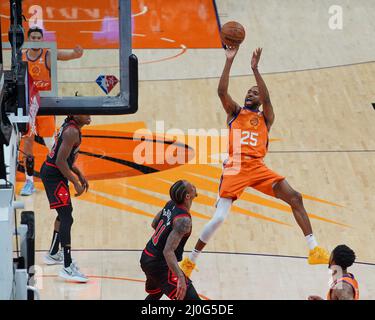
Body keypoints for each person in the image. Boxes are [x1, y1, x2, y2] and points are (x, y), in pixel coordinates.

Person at [180, 46, 330, 277]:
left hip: (258, 167)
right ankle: (190, 261)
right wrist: (229, 60)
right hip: (236, 166)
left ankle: (314, 249)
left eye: (254, 92)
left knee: (295, 197)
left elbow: (268, 97)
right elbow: (221, 91)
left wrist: (255, 69)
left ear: (261, 99)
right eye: (248, 92)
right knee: (219, 218)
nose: (250, 94)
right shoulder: (234, 113)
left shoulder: (266, 118)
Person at [20, 26, 84, 196]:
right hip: (29, 106)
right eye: (32, 37)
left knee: (52, 145)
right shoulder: (21, 56)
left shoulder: (47, 55)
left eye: (38, 38)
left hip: (46, 105)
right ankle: (29, 181)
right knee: (27, 144)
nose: (35, 40)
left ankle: (65, 174)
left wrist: (74, 54)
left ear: (42, 40)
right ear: (28, 40)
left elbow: (62, 55)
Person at [40, 115, 91, 282]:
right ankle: (67, 266)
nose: (89, 115)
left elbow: (67, 159)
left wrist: (79, 174)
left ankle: (54, 253)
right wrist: (75, 182)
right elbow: (61, 162)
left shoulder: (72, 128)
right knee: (67, 217)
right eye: (85, 112)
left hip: (56, 173)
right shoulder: (71, 131)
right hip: (54, 175)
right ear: (76, 115)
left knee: (64, 214)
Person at [140, 180, 201, 300]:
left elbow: (154, 223)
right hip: (159, 264)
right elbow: (168, 251)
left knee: (156, 293)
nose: (194, 186)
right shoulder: (184, 220)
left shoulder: (170, 204)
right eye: (191, 187)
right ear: (187, 196)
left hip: (147, 256)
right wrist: (181, 278)